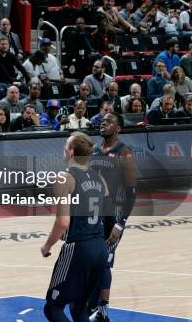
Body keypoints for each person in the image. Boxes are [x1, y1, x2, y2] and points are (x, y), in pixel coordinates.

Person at [40, 132, 109, 322]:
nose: (64, 147)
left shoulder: (65, 178)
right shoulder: (99, 178)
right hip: (100, 246)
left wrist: (47, 246)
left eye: (66, 144)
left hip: (79, 248)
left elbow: (63, 222)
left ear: (70, 151)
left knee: (53, 308)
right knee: (79, 308)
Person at [88, 112, 137, 322]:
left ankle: (102, 310)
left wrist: (121, 223)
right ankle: (91, 305)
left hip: (114, 215)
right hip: (95, 212)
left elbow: (132, 191)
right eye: (103, 121)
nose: (104, 123)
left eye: (109, 122)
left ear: (118, 129)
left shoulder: (124, 151)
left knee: (104, 261)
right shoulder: (95, 150)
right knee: (92, 261)